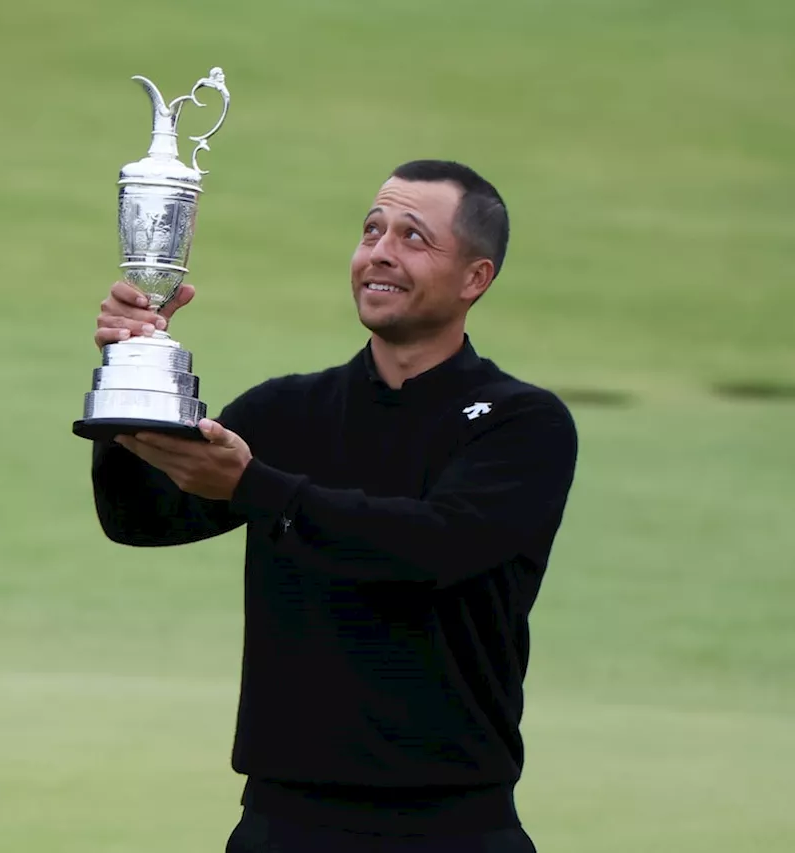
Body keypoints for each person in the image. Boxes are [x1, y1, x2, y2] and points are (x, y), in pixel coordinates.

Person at [89, 160, 578, 852]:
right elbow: (141, 520)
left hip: (453, 827)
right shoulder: (286, 410)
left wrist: (254, 486)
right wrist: (127, 385)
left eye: (413, 236)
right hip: (284, 822)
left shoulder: (522, 423)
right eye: (372, 229)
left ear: (476, 278)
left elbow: (433, 548)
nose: (380, 251)